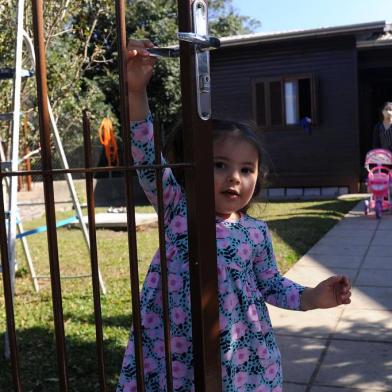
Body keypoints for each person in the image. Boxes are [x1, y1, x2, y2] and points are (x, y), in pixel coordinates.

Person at [117, 39, 352, 392]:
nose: (234, 178)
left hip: (240, 353)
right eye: (220, 165)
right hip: (173, 346)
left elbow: (271, 284)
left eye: (246, 169)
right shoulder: (178, 208)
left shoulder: (255, 232)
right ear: (192, 167)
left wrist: (313, 298)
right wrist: (136, 92)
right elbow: (147, 155)